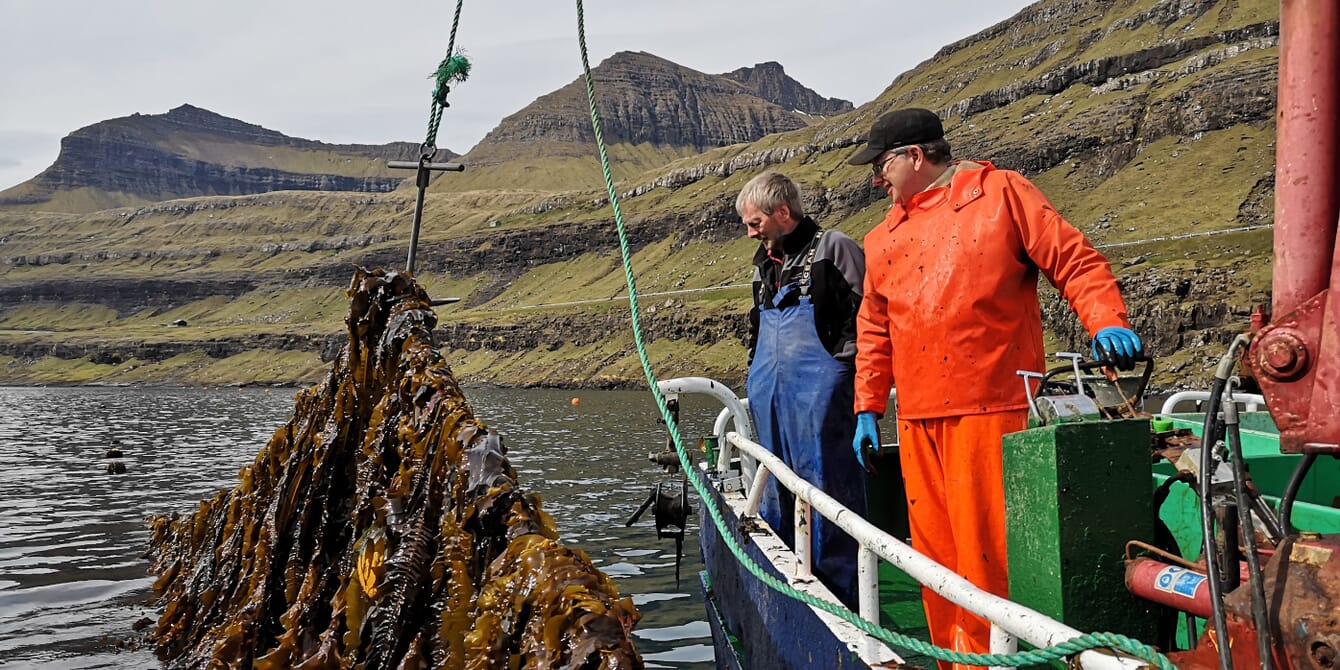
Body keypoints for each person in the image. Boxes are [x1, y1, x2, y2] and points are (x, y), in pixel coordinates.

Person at [846, 108, 1143, 665]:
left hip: (993, 409)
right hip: (915, 421)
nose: (875, 179)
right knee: (932, 562)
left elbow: (1073, 260)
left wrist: (1107, 319)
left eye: (882, 164)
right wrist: (867, 406)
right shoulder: (881, 237)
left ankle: (997, 661)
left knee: (989, 557)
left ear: (915, 156)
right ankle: (950, 660)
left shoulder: (1002, 192)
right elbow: (874, 329)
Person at [738, 170, 868, 608]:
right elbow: (758, 326)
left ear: (783, 212)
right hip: (772, 396)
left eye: (754, 223)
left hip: (822, 397)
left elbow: (865, 321)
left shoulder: (835, 250)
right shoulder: (764, 262)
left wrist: (842, 372)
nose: (750, 232)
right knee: (775, 483)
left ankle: (840, 597)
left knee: (827, 487)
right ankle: (784, 572)